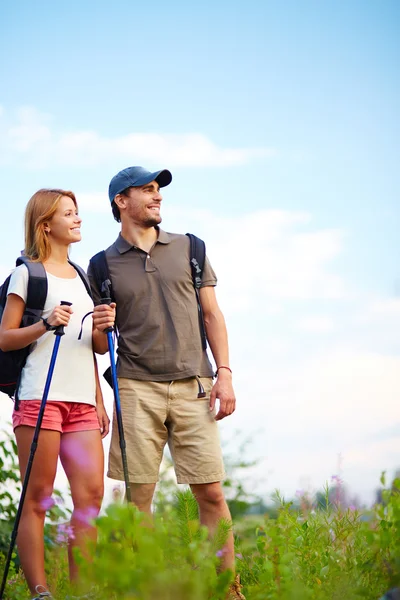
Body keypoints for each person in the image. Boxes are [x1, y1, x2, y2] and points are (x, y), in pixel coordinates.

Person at [89, 166, 245, 600]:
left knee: (211, 492)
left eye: (159, 191)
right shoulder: (101, 264)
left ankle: (225, 589)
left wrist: (225, 374)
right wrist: (101, 325)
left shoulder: (190, 247)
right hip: (136, 388)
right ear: (122, 201)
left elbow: (212, 314)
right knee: (139, 498)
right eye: (147, 190)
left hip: (196, 382)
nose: (157, 198)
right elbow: (100, 344)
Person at [0, 189, 111, 600]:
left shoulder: (84, 277)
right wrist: (45, 323)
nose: (78, 219)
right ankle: (40, 591)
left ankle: (83, 592)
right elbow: (6, 338)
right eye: (69, 213)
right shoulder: (26, 274)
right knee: (39, 499)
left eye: (77, 212)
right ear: (46, 225)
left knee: (90, 498)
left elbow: (93, 347)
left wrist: (101, 326)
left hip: (82, 403)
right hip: (39, 399)